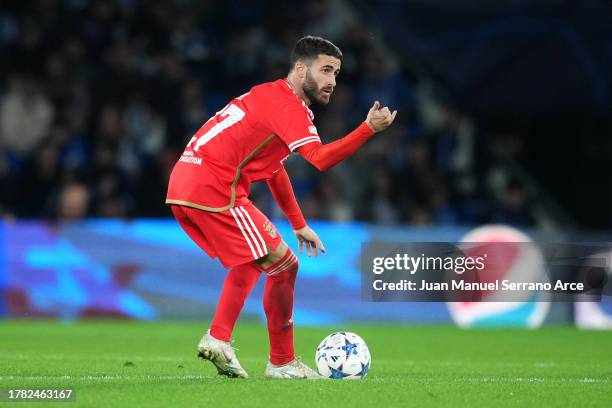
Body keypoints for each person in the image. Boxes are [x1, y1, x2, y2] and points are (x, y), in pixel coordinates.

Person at [166, 35, 397, 379]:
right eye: (326, 70)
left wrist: (298, 223)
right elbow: (318, 159)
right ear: (301, 69)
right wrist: (367, 129)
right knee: (284, 264)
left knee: (259, 261)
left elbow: (274, 169)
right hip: (213, 185)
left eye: (337, 73)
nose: (332, 81)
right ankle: (276, 360)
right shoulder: (288, 106)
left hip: (189, 183)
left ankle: (228, 341)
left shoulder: (271, 96)